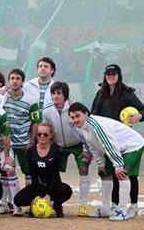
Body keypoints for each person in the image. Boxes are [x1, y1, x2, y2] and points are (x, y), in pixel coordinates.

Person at [69, 103, 144, 221]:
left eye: (78, 116)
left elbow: (109, 144)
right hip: (118, 147)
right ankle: (105, 210)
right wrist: (101, 164)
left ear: (86, 114)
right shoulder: (80, 128)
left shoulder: (95, 125)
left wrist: (118, 165)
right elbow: (92, 146)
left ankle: (122, 211)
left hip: (132, 144)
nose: (75, 120)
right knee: (104, 173)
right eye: (72, 117)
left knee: (122, 173)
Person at [91, 64, 144, 217]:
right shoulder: (100, 93)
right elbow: (93, 113)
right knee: (112, 171)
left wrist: (139, 116)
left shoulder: (127, 93)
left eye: (114, 73)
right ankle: (113, 205)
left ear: (119, 75)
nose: (111, 76)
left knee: (129, 173)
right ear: (105, 75)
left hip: (125, 140)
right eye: (108, 73)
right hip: (107, 139)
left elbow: (142, 109)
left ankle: (133, 206)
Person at [0, 68, 41, 216]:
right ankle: (11, 205)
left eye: (17, 78)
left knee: (29, 173)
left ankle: (27, 203)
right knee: (7, 170)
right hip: (8, 143)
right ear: (9, 81)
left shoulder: (31, 99)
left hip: (26, 142)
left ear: (22, 81)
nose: (14, 81)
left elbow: (35, 122)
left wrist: (32, 141)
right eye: (12, 78)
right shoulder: (3, 96)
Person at [42, 82, 91, 217]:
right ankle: (55, 204)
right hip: (58, 146)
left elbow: (86, 128)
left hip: (78, 145)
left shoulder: (74, 108)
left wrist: (87, 148)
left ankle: (83, 205)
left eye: (59, 93)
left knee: (83, 169)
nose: (55, 96)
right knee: (53, 173)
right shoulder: (47, 111)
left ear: (65, 95)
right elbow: (46, 131)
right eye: (53, 93)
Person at [13, 122, 73, 218]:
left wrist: (49, 195)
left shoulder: (58, 151)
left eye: (45, 134)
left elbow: (55, 174)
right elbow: (33, 175)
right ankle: (34, 205)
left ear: (50, 136)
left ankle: (56, 206)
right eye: (39, 134)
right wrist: (36, 197)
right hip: (38, 185)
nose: (42, 136)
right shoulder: (30, 152)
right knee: (17, 199)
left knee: (67, 190)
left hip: (53, 186)